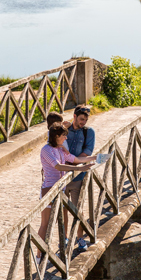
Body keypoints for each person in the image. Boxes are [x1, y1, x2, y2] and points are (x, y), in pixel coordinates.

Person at [37, 123, 95, 260]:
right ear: (56, 136)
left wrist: (95, 158)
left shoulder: (60, 149)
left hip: (60, 190)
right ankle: (40, 255)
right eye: (64, 136)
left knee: (59, 222)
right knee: (45, 224)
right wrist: (80, 169)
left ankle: (57, 251)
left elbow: (76, 159)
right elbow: (57, 166)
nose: (65, 139)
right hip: (49, 190)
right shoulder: (46, 150)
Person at [64, 105, 95, 252]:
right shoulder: (64, 129)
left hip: (78, 176)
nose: (84, 122)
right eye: (81, 119)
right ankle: (64, 238)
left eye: (86, 120)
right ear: (74, 116)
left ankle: (79, 237)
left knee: (77, 210)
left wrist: (73, 161)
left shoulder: (89, 132)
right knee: (62, 209)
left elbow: (87, 152)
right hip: (61, 176)